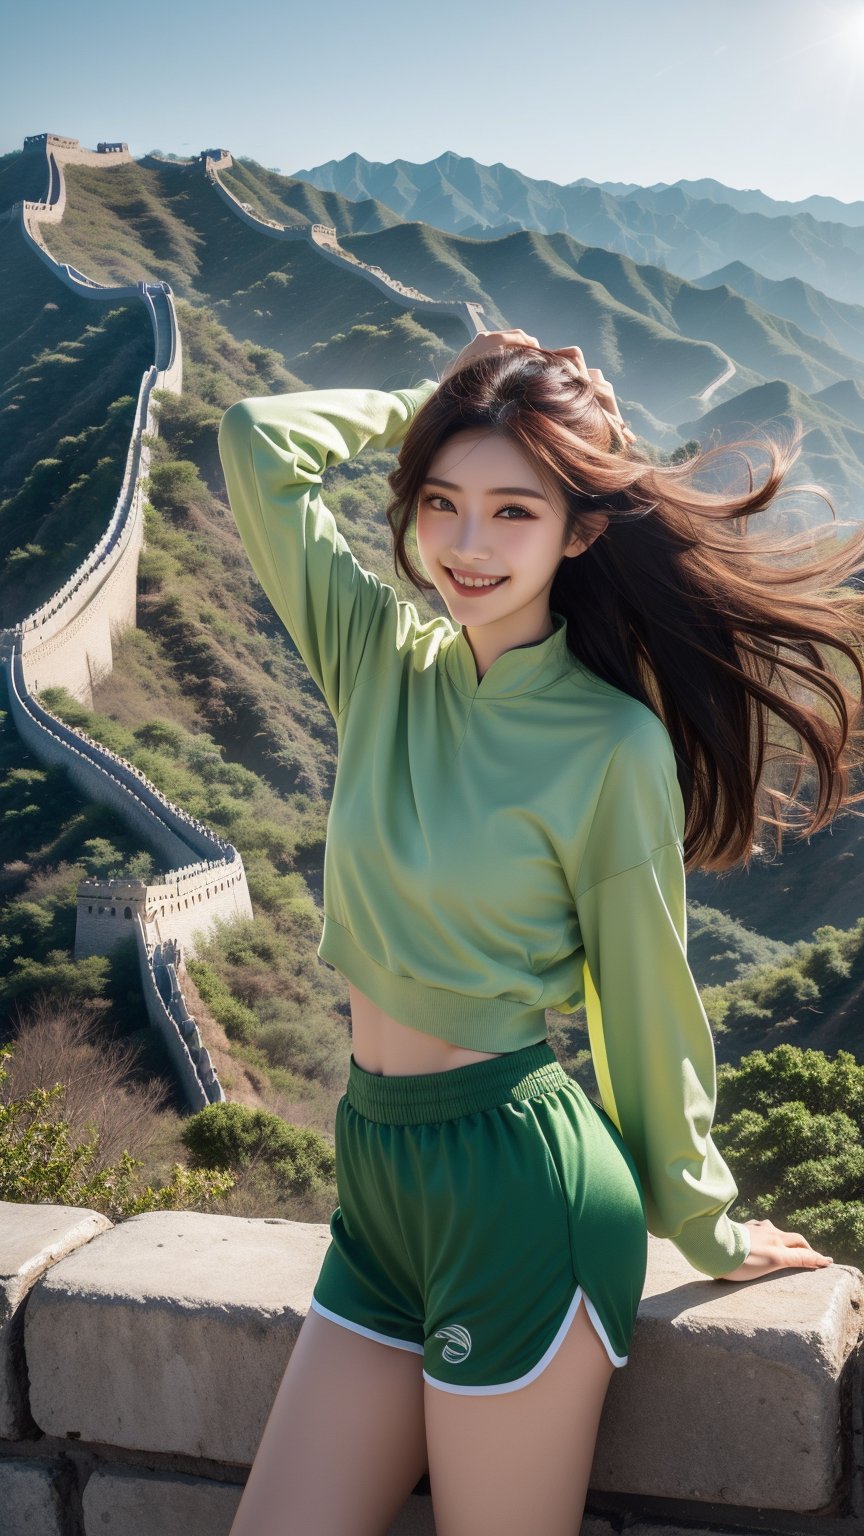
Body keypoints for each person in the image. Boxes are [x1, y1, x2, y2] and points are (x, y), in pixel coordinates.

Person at [217, 330, 864, 1536]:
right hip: (377, 1181)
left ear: (579, 533)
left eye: (515, 510)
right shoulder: (376, 661)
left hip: (523, 1196)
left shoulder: (606, 746)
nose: (466, 545)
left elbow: (642, 995)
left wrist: (705, 1217)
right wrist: (452, 397)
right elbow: (256, 445)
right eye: (442, 504)